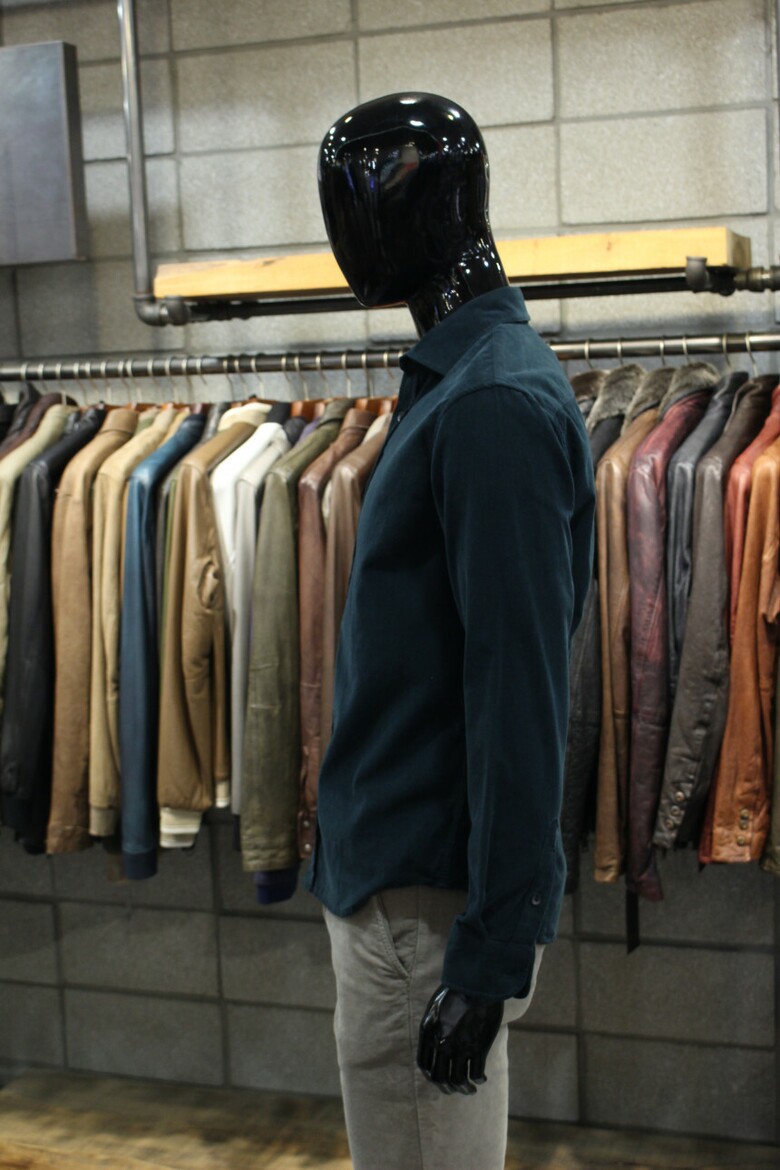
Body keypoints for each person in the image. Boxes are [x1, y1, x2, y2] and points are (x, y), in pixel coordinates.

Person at [305, 91, 595, 1170]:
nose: (343, 233)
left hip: (425, 912)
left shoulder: (487, 405)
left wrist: (490, 953)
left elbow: (521, 697)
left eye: (357, 199)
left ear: (434, 206)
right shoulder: (458, 386)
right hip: (403, 889)